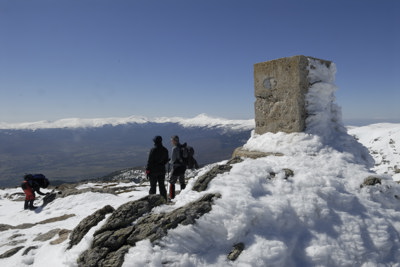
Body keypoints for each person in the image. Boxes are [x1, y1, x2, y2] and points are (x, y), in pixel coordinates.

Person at [146, 136, 169, 200]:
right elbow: (166, 160)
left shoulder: (153, 150)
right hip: (162, 171)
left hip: (153, 171)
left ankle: (152, 201)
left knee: (153, 187)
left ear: (155, 142)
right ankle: (164, 199)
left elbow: (150, 161)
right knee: (162, 186)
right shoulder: (165, 150)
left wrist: (147, 171)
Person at [169, 135, 187, 199]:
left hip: (176, 167)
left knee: (172, 181)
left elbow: (173, 159)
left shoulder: (174, 148)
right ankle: (183, 195)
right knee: (182, 181)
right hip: (183, 166)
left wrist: (169, 162)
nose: (171, 141)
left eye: (172, 140)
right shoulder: (183, 147)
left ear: (174, 141)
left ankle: (172, 197)